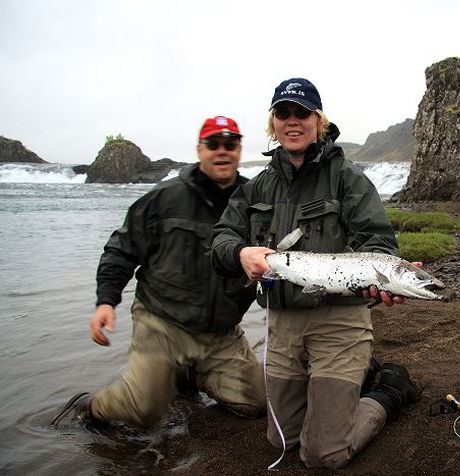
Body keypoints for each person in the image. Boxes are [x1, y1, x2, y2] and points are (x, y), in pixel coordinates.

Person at [211, 78, 418, 469]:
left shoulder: (347, 176)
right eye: (283, 113)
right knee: (282, 441)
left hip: (339, 322)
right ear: (273, 123)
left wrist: (386, 278)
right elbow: (220, 238)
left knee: (322, 455)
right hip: (283, 325)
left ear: (318, 121)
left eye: (302, 113)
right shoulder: (257, 187)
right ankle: (347, 381)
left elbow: (379, 242)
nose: (293, 121)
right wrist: (240, 253)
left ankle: (388, 390)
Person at [52, 116, 265, 428]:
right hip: (163, 323)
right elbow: (121, 249)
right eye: (214, 144)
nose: (222, 151)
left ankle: (187, 373)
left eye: (230, 144)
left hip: (221, 333)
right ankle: (89, 406)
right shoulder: (164, 197)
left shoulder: (256, 202)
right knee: (145, 411)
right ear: (200, 149)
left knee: (258, 404)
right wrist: (105, 302)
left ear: (239, 149)